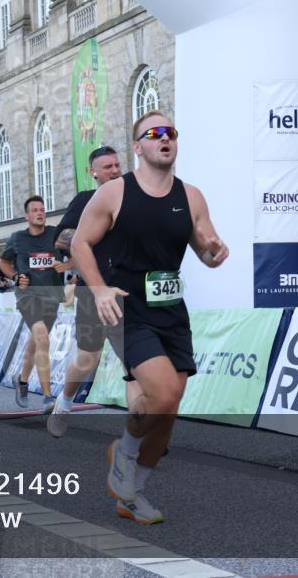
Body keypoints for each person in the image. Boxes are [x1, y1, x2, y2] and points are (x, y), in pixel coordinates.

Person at [71, 110, 229, 525]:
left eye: (170, 133)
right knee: (159, 394)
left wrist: (216, 253)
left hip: (170, 309)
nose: (165, 139)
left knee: (168, 408)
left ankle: (133, 493)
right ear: (138, 146)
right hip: (125, 306)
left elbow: (207, 252)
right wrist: (100, 288)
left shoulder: (191, 196)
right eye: (154, 134)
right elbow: (79, 244)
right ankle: (123, 451)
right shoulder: (113, 194)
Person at [46, 144, 141, 439]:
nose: (114, 170)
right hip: (91, 291)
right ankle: (64, 405)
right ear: (93, 172)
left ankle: (141, 431)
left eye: (117, 165)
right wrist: (92, 235)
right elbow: (61, 238)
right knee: (88, 358)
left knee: (135, 363)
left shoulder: (135, 200)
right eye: (107, 167)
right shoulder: (86, 200)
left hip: (127, 291)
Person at [1, 195, 69, 409]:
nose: (40, 213)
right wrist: (14, 277)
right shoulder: (17, 238)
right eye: (35, 210)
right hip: (27, 295)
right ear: (27, 215)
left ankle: (21, 380)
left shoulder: (56, 235)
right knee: (41, 336)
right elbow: (3, 262)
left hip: (51, 295)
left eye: (42, 209)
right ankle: (48, 396)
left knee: (35, 342)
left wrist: (67, 267)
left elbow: (78, 253)